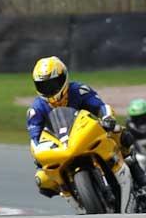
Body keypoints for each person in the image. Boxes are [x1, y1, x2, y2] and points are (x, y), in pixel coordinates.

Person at [27, 56, 146, 197]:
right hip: (60, 147)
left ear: (64, 78)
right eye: (44, 86)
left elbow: (100, 106)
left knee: (121, 134)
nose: (50, 90)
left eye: (53, 84)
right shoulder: (36, 109)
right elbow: (35, 137)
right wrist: (38, 155)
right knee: (42, 180)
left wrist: (107, 117)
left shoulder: (79, 90)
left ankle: (141, 182)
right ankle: (72, 193)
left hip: (86, 135)